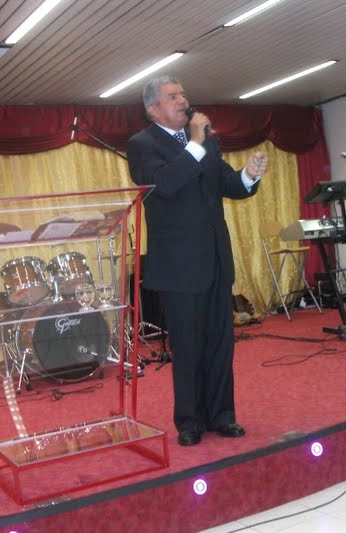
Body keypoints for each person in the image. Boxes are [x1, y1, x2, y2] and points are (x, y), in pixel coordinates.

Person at [126, 75, 268, 446]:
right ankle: (189, 421)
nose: (183, 100)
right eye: (172, 96)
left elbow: (226, 183)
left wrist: (248, 176)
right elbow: (165, 184)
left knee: (221, 344)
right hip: (179, 267)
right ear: (153, 108)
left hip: (216, 261)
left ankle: (222, 415)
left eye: (183, 94)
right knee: (188, 348)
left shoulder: (206, 140)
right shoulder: (142, 145)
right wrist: (195, 142)